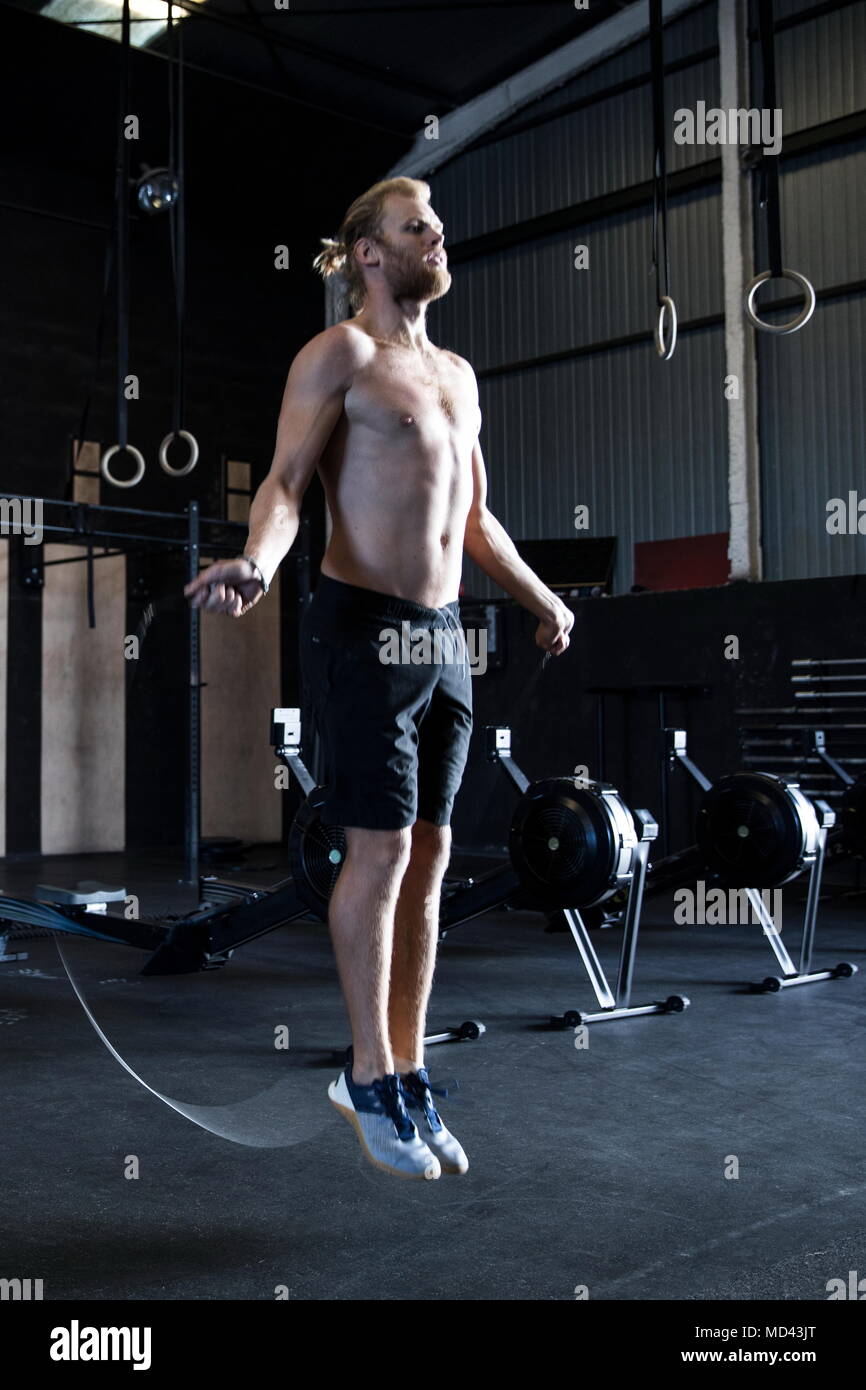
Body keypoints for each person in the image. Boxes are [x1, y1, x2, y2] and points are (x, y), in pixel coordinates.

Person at [185, 176, 574, 1181]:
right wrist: (260, 563)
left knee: (435, 854)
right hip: (361, 624)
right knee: (382, 848)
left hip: (444, 634)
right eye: (416, 226)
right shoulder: (338, 356)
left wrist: (542, 600)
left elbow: (476, 520)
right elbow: (282, 482)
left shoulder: (455, 373)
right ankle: (362, 1074)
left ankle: (404, 1067)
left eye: (437, 223)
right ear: (368, 252)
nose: (436, 235)